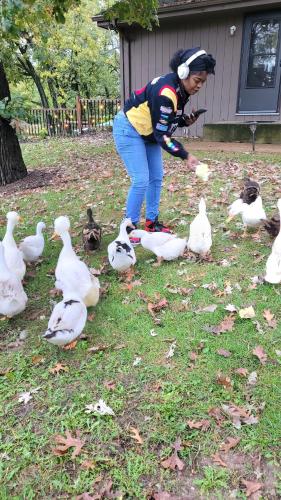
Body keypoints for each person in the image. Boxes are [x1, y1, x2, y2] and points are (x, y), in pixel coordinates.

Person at [113, 47, 216, 243]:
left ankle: (151, 223)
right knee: (141, 179)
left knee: (157, 176)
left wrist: (185, 121)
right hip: (129, 129)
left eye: (203, 82)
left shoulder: (180, 89)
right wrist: (186, 155)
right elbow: (163, 135)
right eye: (197, 80)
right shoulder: (166, 93)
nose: (200, 86)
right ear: (184, 73)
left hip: (149, 132)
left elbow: (168, 119)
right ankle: (130, 230)